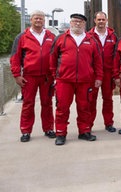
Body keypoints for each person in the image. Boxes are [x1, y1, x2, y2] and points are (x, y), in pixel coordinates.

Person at [50, 13, 103, 145]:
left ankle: (84, 131)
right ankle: (61, 133)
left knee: (85, 107)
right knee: (62, 107)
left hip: (85, 80)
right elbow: (52, 59)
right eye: (74, 21)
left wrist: (99, 77)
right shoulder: (61, 39)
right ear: (70, 23)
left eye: (80, 22)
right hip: (64, 80)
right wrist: (54, 76)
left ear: (84, 24)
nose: (77, 24)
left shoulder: (91, 40)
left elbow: (98, 61)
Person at [10, 10, 56, 142]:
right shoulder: (22, 37)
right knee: (28, 103)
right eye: (36, 18)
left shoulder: (51, 36)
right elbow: (15, 57)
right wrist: (17, 75)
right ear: (31, 20)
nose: (38, 21)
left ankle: (48, 128)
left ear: (44, 21)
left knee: (47, 104)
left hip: (47, 77)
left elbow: (56, 55)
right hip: (29, 76)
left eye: (41, 19)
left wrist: (55, 74)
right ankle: (25, 131)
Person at [88, 11, 119, 133]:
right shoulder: (88, 36)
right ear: (94, 20)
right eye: (98, 19)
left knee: (108, 99)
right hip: (93, 73)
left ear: (107, 20)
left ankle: (109, 123)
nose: (101, 22)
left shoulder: (113, 36)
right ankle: (88, 124)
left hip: (108, 72)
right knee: (91, 99)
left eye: (103, 19)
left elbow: (116, 56)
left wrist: (115, 74)